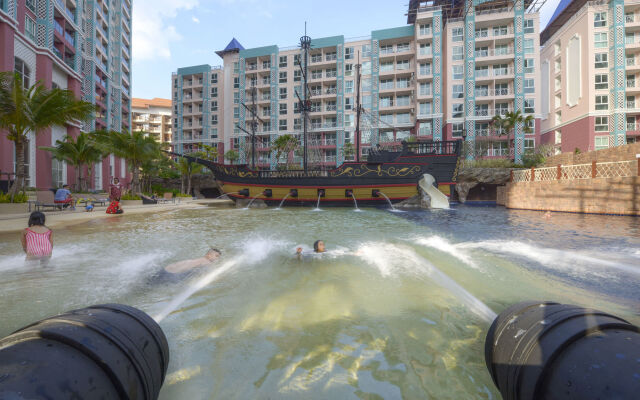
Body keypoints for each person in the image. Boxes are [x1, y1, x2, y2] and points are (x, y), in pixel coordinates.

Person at [152, 248, 222, 283]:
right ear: (208, 255)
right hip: (171, 275)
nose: (217, 258)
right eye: (216, 256)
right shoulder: (207, 262)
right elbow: (211, 274)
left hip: (164, 270)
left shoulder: (199, 259)